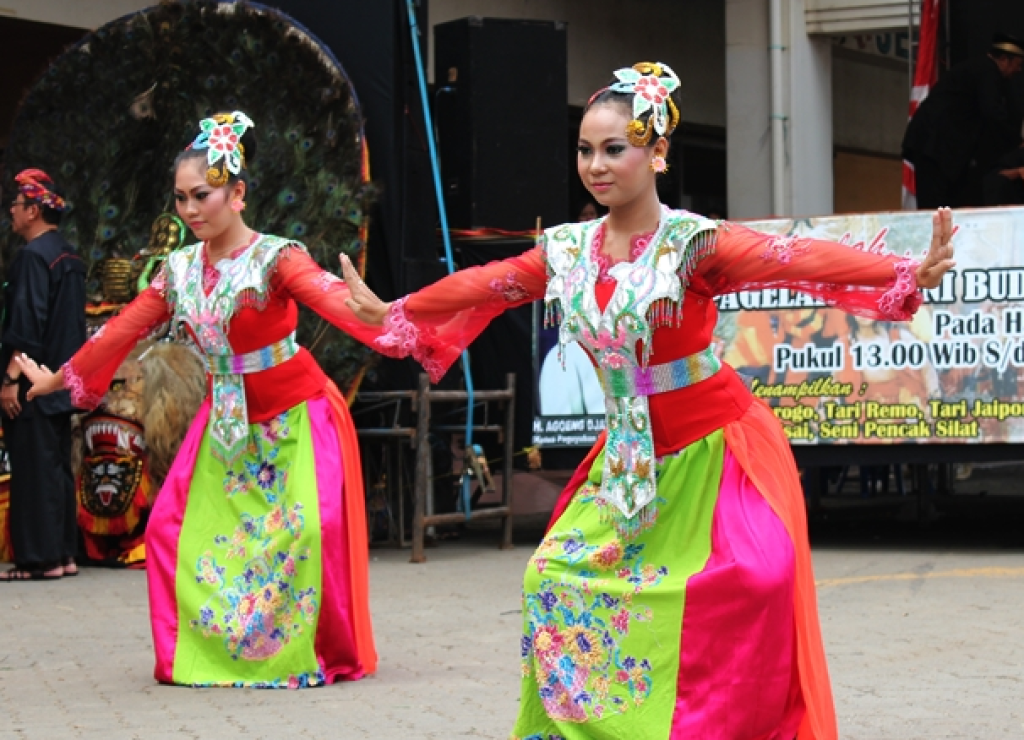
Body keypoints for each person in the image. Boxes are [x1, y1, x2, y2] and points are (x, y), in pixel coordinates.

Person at [341, 62, 956, 738]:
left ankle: (731, 722)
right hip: (628, 461)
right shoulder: (567, 251)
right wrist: (398, 307)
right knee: (550, 578)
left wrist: (900, 271)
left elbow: (794, 257)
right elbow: (490, 285)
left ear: (658, 153)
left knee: (758, 581)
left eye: (615, 148)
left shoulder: (696, 245)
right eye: (584, 149)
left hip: (718, 451)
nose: (596, 166)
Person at [17, 112, 380, 687]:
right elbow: (122, 331)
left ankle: (316, 651)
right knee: (167, 531)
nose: (189, 209)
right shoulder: (179, 269)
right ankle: (207, 655)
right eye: (181, 197)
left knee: (313, 530)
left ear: (237, 193)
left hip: (294, 413)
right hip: (226, 420)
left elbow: (335, 303)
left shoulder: (277, 258)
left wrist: (391, 316)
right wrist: (58, 379)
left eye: (201, 195)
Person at [0, 169, 85, 582]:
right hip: (61, 378)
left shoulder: (33, 257)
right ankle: (63, 554)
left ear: (33, 210)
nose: (12, 214)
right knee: (55, 467)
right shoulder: (69, 256)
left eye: (16, 207)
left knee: (33, 467)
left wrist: (12, 377)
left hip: (34, 380)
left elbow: (28, 321)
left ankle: (39, 559)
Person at [902, 33, 1024, 208]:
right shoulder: (988, 71)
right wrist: (1017, 143)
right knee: (935, 206)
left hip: (938, 147)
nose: (1018, 70)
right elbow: (992, 112)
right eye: (1018, 65)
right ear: (1004, 59)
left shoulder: (975, 69)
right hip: (935, 146)